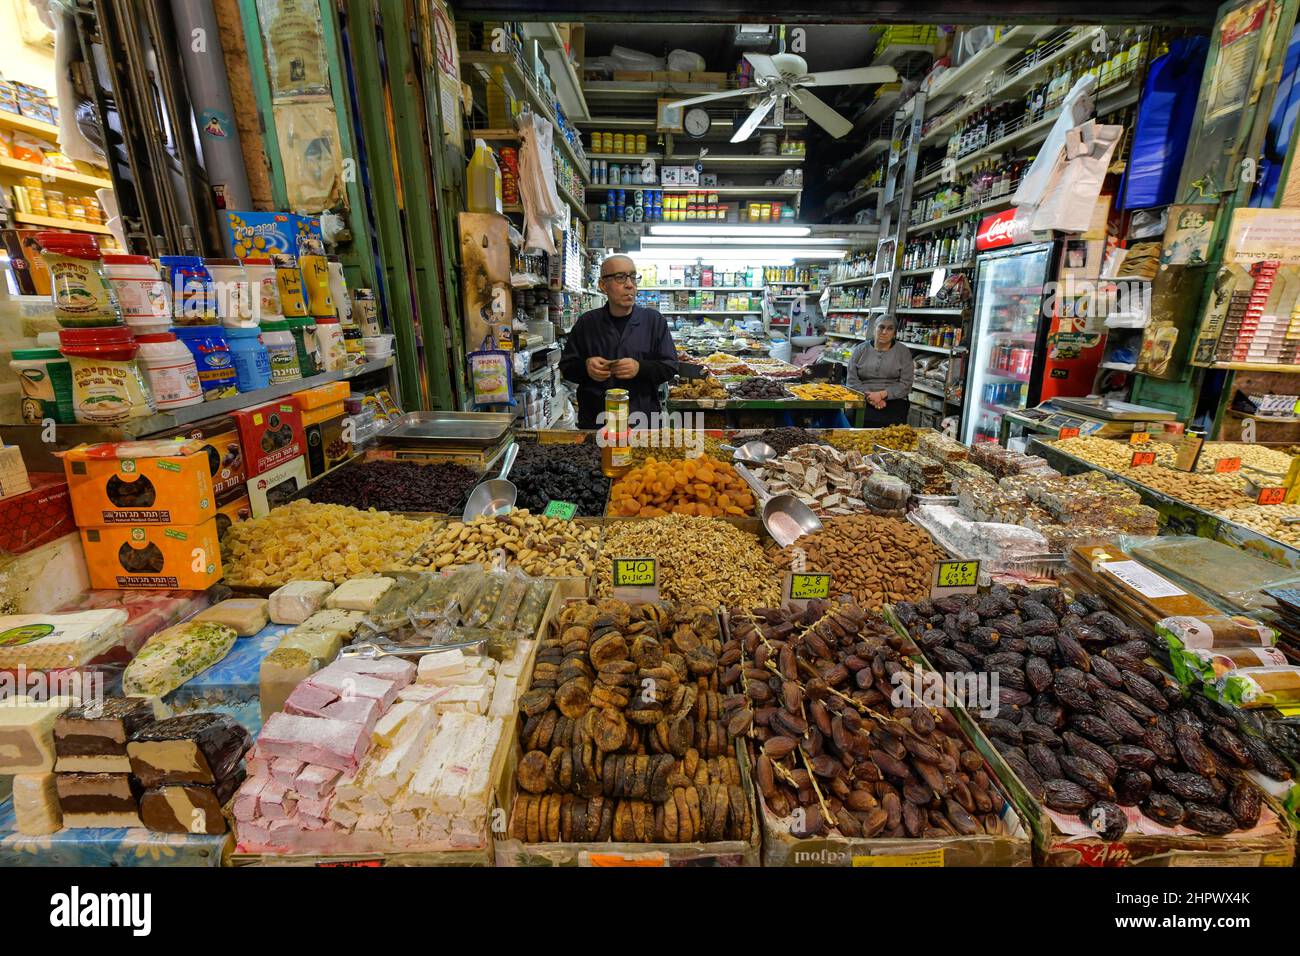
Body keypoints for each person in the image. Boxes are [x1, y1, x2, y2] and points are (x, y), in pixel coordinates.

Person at [559, 254, 679, 430]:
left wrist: (640, 368)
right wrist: (586, 367)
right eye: (620, 277)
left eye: (633, 277)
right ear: (602, 285)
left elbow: (670, 367)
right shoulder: (587, 323)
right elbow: (567, 368)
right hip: (597, 422)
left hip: (642, 421)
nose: (629, 284)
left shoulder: (653, 321)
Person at [845, 314, 914, 426]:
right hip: (863, 397)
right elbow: (851, 380)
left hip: (893, 400)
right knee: (852, 422)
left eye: (890, 328)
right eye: (881, 327)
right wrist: (869, 396)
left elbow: (906, 384)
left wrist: (882, 395)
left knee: (892, 429)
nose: (884, 332)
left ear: (894, 333)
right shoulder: (860, 349)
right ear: (874, 328)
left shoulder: (903, 352)